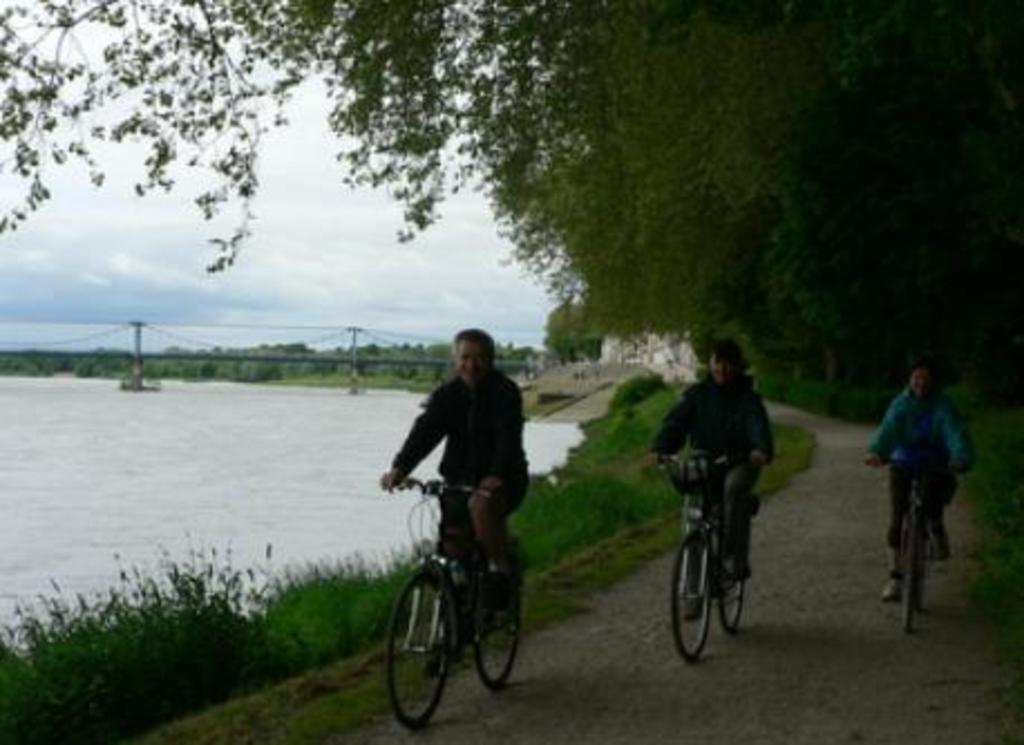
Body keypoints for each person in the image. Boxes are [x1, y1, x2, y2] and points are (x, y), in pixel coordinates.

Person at [381, 328, 528, 609]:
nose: (471, 365)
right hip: (458, 479)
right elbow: (425, 433)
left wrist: (495, 476)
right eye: (464, 358)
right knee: (452, 546)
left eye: (479, 358)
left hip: (505, 478)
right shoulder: (447, 396)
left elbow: (508, 439)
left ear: (491, 360)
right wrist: (399, 468)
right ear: (454, 360)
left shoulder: (505, 392)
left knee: (481, 507)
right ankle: (456, 616)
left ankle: (502, 571)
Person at [650, 339, 774, 581]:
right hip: (705, 460)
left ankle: (733, 559)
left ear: (738, 366)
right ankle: (692, 592)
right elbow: (676, 423)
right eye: (718, 362)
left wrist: (760, 449)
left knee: (734, 488)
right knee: (694, 516)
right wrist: (661, 448)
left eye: (729, 364)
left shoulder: (748, 399)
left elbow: (757, 426)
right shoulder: (697, 395)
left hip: (740, 460)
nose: (722, 369)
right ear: (711, 363)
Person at [866, 356, 972, 602]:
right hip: (903, 462)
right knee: (896, 519)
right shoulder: (900, 404)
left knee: (932, 503)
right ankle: (895, 578)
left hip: (935, 464)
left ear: (933, 381)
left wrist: (959, 456)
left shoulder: (943, 406)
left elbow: (954, 432)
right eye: (916, 378)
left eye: (925, 378)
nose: (920, 383)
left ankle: (935, 525)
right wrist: (877, 452)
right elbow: (888, 430)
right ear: (910, 380)